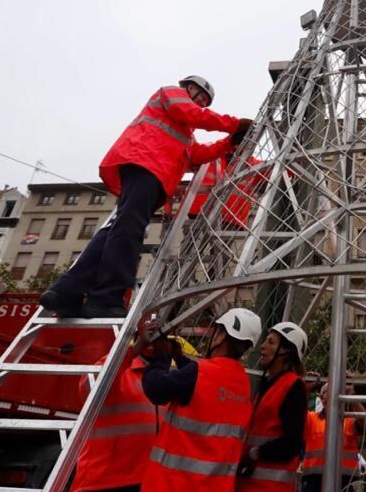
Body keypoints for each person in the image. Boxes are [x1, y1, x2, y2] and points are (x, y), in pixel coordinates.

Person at [41, 76, 252, 318]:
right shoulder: (172, 94)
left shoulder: (183, 129)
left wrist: (229, 142)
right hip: (147, 163)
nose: (202, 105)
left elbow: (195, 155)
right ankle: (106, 297)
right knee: (128, 229)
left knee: (119, 228)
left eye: (205, 103)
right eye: (201, 99)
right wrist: (234, 125)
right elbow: (191, 113)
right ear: (190, 88)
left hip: (151, 170)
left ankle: (66, 291)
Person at [137, 308, 262, 492]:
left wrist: (161, 356)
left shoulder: (199, 373)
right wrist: (180, 360)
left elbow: (155, 388)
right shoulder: (242, 384)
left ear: (221, 336)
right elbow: (209, 388)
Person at [66, 337, 159, 492]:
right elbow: (89, 386)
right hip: (100, 485)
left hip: (141, 488)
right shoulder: (122, 369)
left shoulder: (160, 383)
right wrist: (132, 351)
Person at [236, 322, 309, 492]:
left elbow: (292, 443)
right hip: (248, 488)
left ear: (285, 350)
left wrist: (255, 453)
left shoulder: (293, 387)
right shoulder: (268, 384)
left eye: (271, 342)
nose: (263, 346)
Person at [299, 381, 366, 492]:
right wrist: (305, 390)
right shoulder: (312, 419)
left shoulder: (348, 420)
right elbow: (296, 414)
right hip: (314, 479)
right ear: (321, 398)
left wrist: (351, 397)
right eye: (329, 391)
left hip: (345, 480)